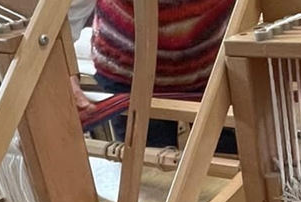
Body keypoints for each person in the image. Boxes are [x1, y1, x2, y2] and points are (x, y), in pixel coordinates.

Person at [67, 0, 236, 150]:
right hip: (128, 77)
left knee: (225, 158)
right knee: (150, 171)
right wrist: (66, 71)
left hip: (212, 71)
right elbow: (64, 14)